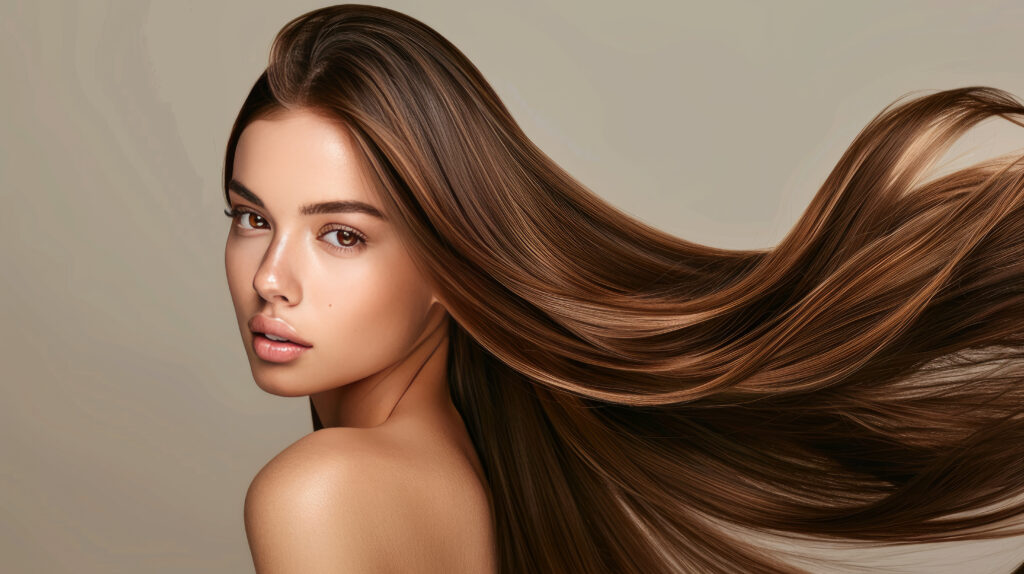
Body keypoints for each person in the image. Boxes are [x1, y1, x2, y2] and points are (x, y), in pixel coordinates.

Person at [222, 4, 1024, 573]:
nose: (269, 278)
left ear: (448, 264)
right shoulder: (468, 471)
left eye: (343, 235)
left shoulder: (320, 490)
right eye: (251, 217)